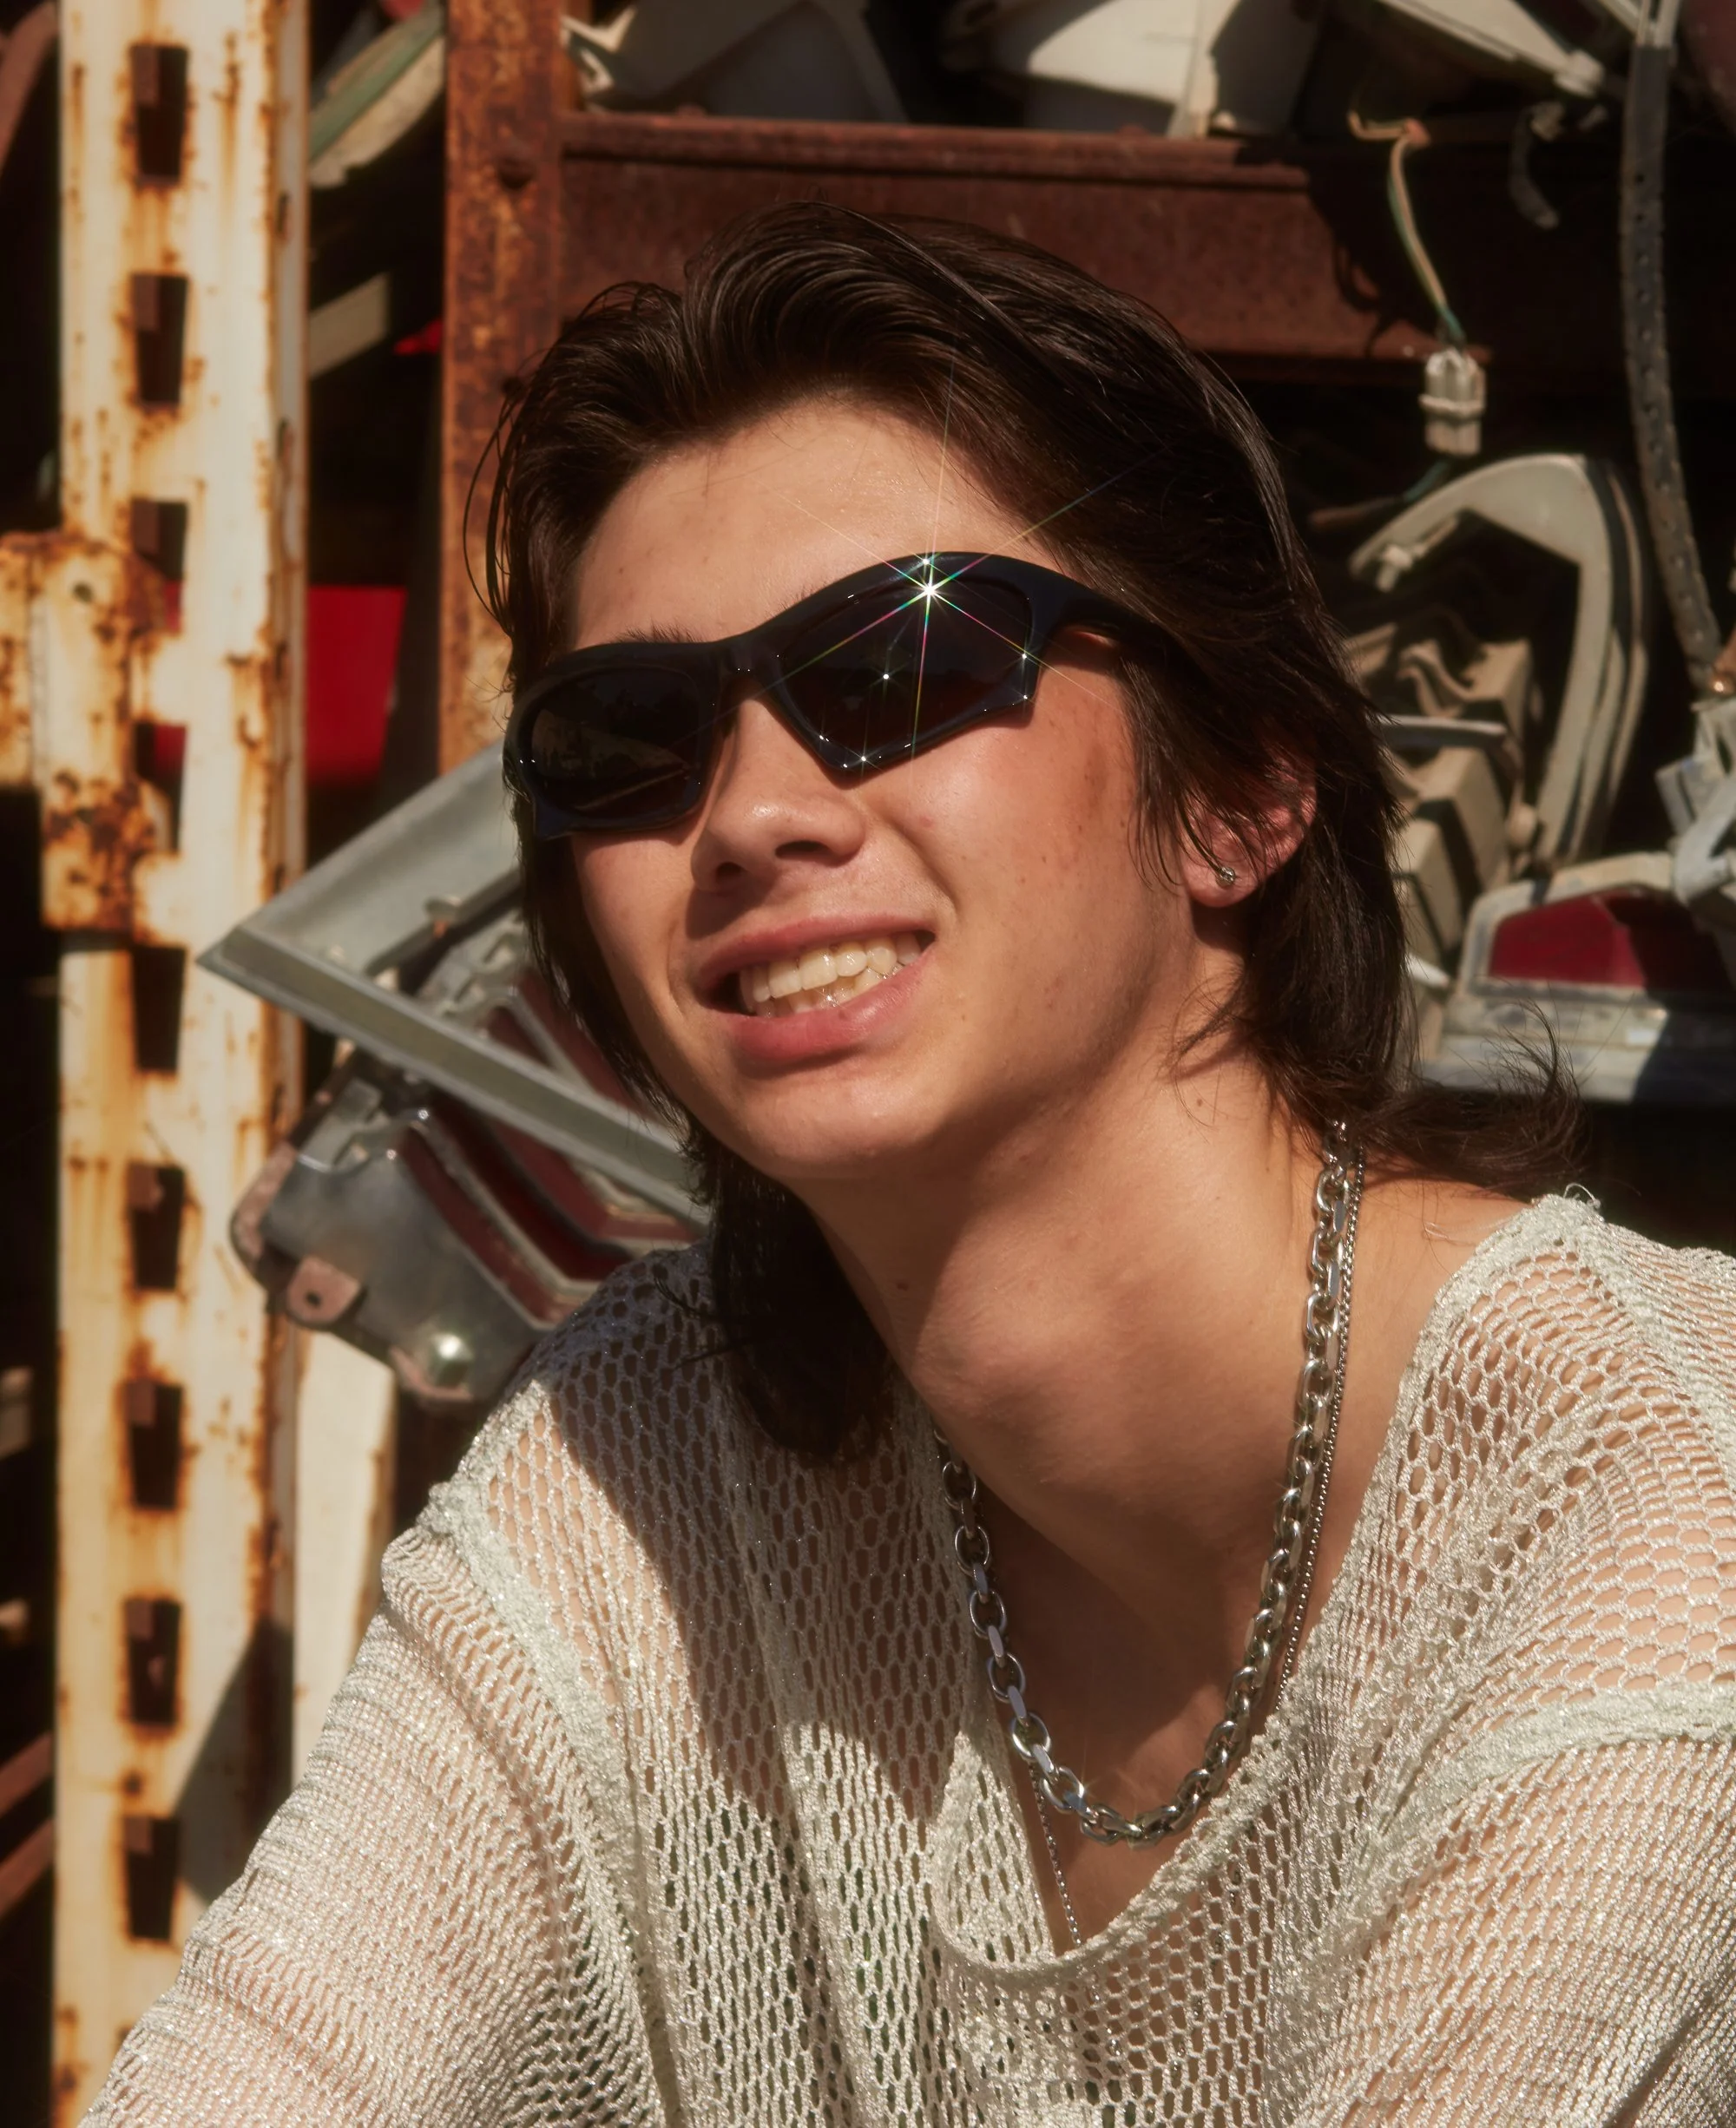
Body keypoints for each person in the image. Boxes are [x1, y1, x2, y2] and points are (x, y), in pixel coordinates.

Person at [91, 204, 1736, 2126]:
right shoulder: (647, 1469)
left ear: (1241, 788)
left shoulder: (1647, 1499)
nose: (753, 814)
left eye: (904, 658)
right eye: (629, 737)